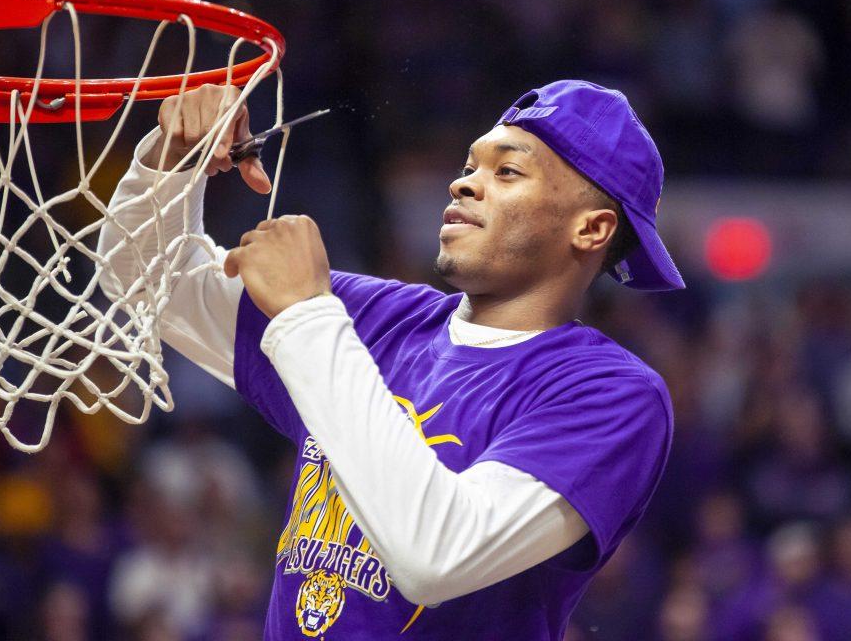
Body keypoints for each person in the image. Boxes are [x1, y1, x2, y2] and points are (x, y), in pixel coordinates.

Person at [97, 79, 683, 640]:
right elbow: (150, 282)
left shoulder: (610, 393)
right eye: (468, 166)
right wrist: (171, 165)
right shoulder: (372, 315)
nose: (464, 185)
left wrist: (306, 314)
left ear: (592, 228)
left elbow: (438, 556)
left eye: (507, 171)